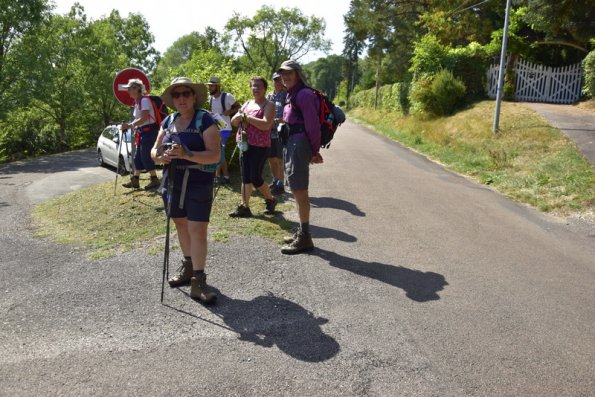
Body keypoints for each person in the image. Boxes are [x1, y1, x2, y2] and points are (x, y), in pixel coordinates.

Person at [150, 77, 220, 304]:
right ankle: (188, 266)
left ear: (193, 97)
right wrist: (160, 156)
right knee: (180, 223)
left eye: (185, 94)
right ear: (172, 99)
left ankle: (199, 282)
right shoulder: (168, 121)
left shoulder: (205, 120)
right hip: (173, 180)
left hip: (199, 180)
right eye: (176, 95)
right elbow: (154, 151)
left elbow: (215, 155)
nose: (181, 98)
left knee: (197, 229)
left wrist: (186, 154)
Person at [277, 60, 323, 254]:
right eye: (282, 74)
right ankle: (302, 231)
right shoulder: (291, 95)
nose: (285, 77)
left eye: (289, 73)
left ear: (297, 74)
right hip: (292, 143)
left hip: (299, 144)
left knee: (300, 190)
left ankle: (305, 237)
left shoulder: (303, 94)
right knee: (296, 190)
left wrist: (314, 151)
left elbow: (312, 125)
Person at [228, 76, 277, 218]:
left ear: (265, 88)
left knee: (255, 177)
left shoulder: (269, 105)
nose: (256, 89)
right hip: (244, 144)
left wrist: (247, 118)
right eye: (253, 86)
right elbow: (233, 122)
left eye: (259, 86)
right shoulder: (247, 103)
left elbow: (266, 124)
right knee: (245, 177)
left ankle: (271, 199)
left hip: (260, 146)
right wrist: (239, 118)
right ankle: (244, 206)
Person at [120, 78, 161, 190]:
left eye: (129, 89)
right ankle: (135, 180)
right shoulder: (137, 102)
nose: (128, 91)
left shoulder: (144, 101)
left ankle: (154, 179)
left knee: (145, 156)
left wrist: (129, 125)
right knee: (138, 156)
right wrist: (134, 127)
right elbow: (141, 119)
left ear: (136, 89)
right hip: (143, 131)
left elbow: (144, 118)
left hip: (149, 131)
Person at [207, 77, 240, 184]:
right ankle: (224, 176)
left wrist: (230, 111)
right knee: (219, 152)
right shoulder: (210, 98)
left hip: (225, 129)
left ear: (218, 86)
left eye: (211, 85)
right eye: (209, 85)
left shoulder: (227, 97)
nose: (209, 87)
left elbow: (239, 107)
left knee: (219, 152)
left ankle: (220, 176)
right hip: (215, 128)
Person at [266, 72, 287, 195]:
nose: (277, 82)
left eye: (279, 80)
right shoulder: (270, 96)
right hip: (269, 130)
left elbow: (289, 113)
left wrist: (280, 120)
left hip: (281, 131)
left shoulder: (286, 95)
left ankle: (281, 184)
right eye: (275, 80)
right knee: (270, 157)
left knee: (279, 159)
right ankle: (275, 180)